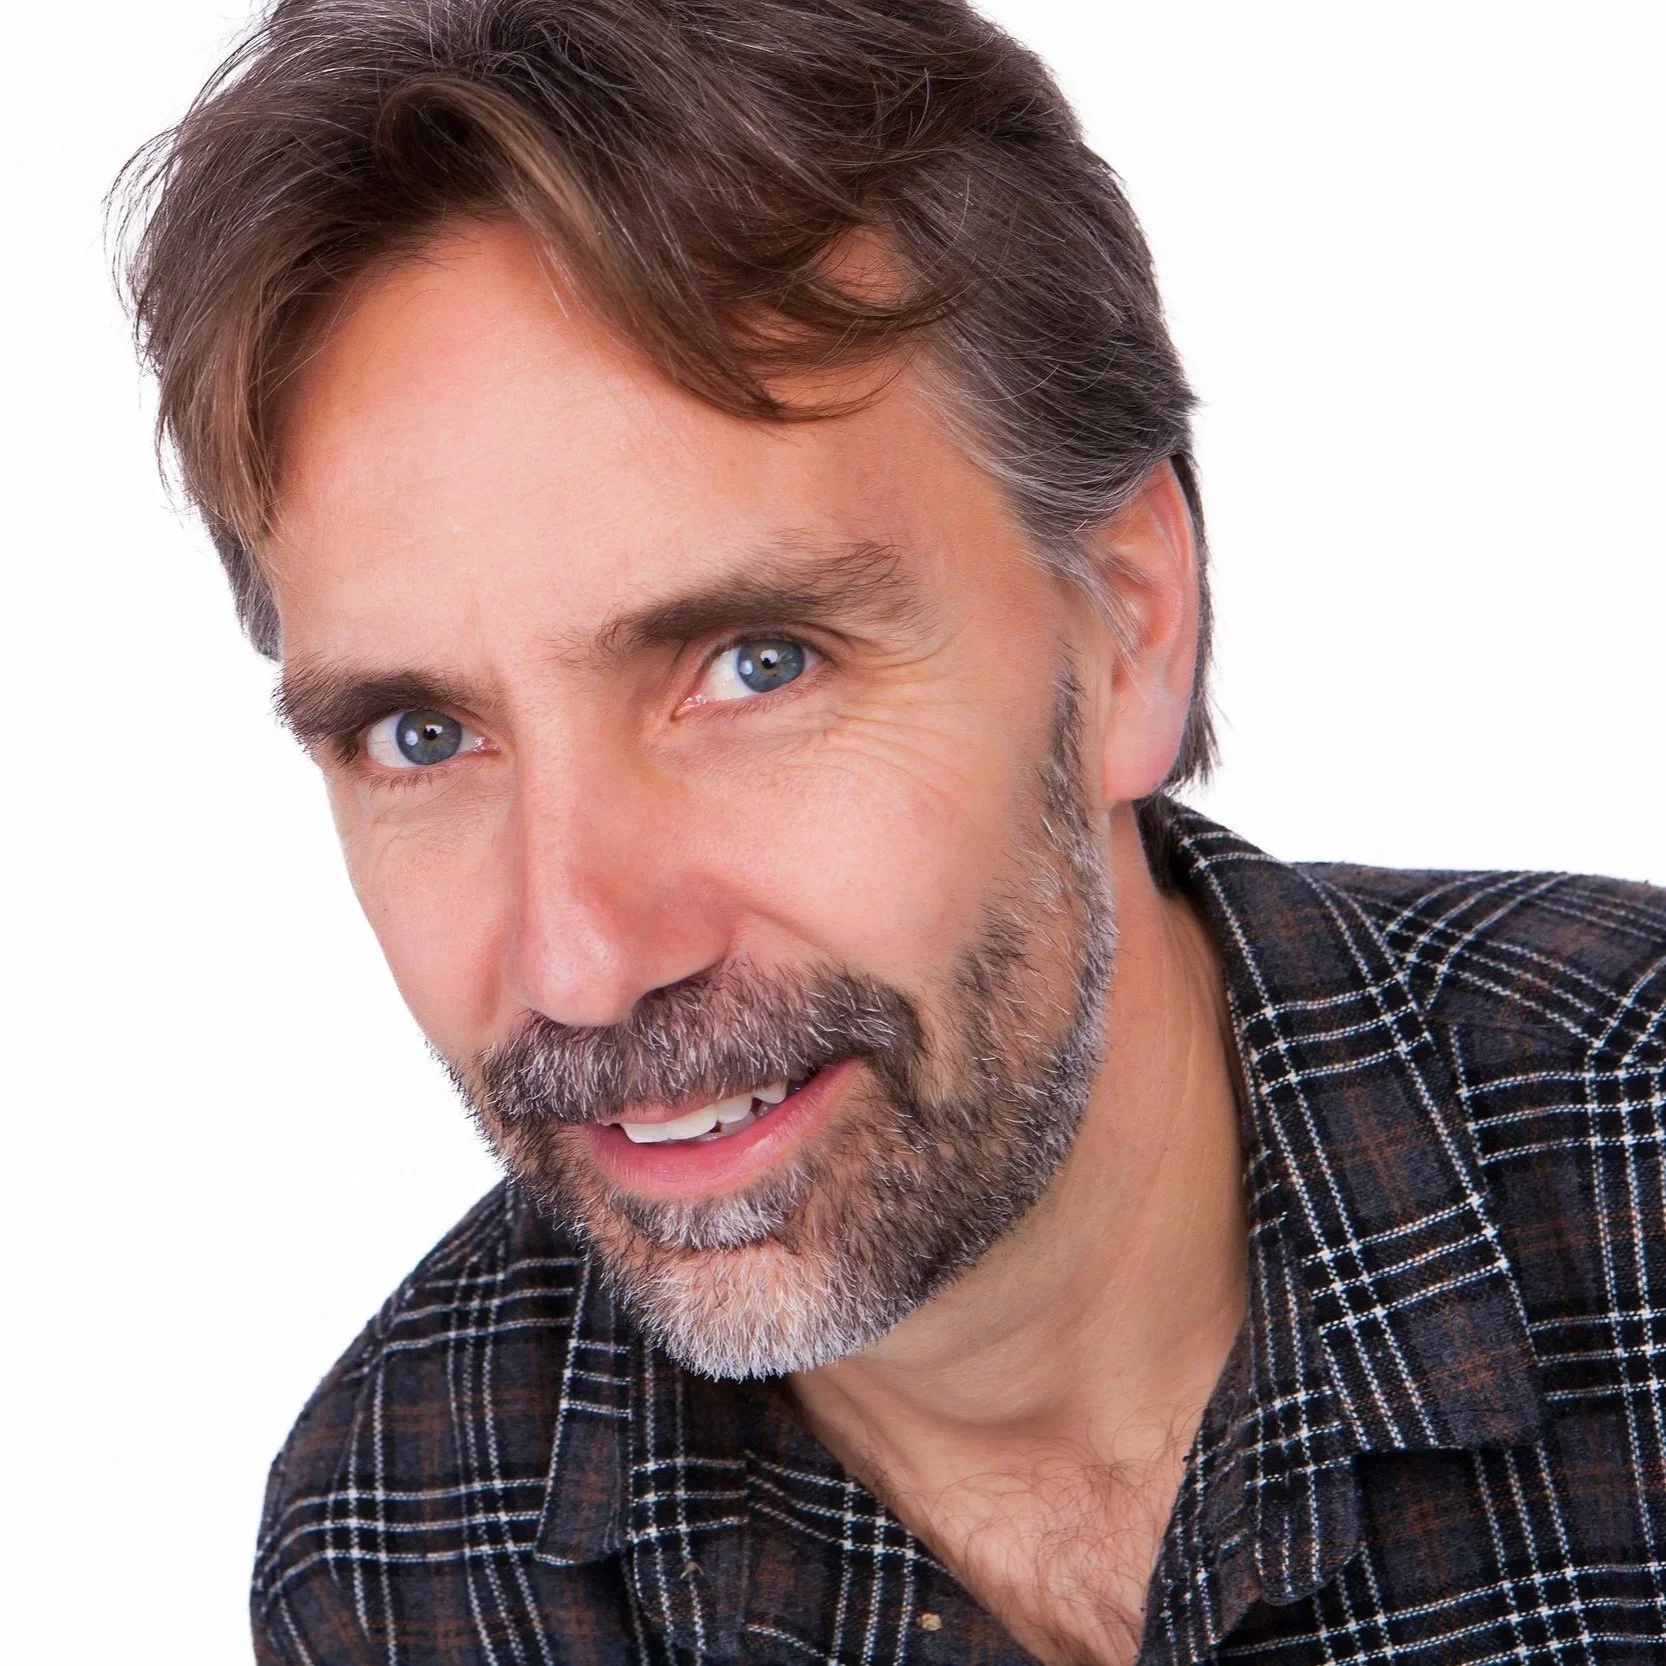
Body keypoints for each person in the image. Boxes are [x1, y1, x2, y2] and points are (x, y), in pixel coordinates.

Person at [116, 1, 1666, 1662]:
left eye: (753, 664)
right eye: (422, 735)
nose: (580, 963)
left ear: (1126, 625)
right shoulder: (403, 1545)